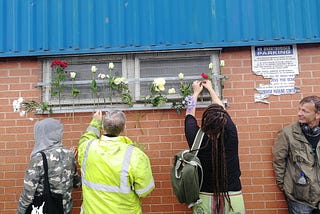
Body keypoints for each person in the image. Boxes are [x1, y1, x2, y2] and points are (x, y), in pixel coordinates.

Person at [184, 80, 245, 213]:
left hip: (204, 198)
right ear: (224, 121)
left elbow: (189, 115)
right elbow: (221, 109)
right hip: (233, 197)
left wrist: (195, 93)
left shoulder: (197, 138)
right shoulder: (231, 134)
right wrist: (211, 90)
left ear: (205, 121)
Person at [78, 110, 155, 214]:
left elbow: (85, 139)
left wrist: (95, 123)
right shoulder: (135, 155)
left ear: (103, 127)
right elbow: (144, 190)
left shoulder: (87, 148)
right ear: (124, 128)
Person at [17, 118, 81, 214]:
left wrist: (20, 211)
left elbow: (28, 193)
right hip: (65, 209)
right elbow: (77, 183)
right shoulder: (69, 155)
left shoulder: (38, 158)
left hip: (46, 208)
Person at [273, 96, 320, 214]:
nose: (299, 113)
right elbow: (279, 161)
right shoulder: (287, 133)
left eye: (305, 111)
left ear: (317, 114)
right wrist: (285, 187)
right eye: (299, 109)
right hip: (300, 198)